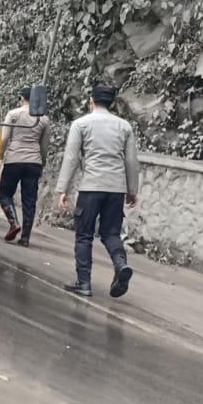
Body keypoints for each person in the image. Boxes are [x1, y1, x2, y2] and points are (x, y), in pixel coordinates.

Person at [56, 84, 139, 298]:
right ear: (112, 103)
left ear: (91, 100)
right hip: (116, 189)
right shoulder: (124, 127)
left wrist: (62, 188)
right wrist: (132, 190)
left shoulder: (81, 124)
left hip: (91, 187)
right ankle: (121, 265)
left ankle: (84, 282)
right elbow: (131, 161)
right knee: (111, 233)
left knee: (84, 235)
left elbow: (72, 158)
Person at [0, 86, 50, 245]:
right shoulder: (43, 119)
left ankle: (14, 222)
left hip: (14, 159)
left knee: (4, 194)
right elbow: (44, 146)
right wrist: (42, 163)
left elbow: (5, 138)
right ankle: (25, 237)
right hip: (33, 162)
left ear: (22, 98)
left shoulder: (13, 114)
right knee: (30, 200)